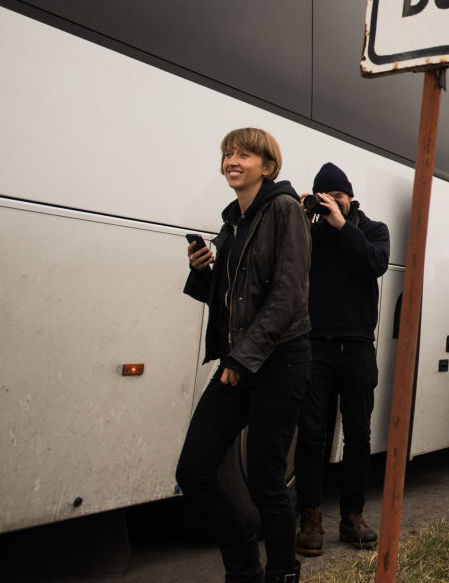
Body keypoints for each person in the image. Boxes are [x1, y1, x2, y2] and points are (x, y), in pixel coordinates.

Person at [177, 128, 312, 583]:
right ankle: (243, 566)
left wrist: (240, 359)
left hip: (281, 361)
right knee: (194, 471)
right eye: (228, 154)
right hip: (241, 360)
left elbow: (289, 295)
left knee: (267, 481)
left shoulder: (285, 209)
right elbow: (231, 298)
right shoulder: (233, 221)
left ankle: (282, 574)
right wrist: (203, 271)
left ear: (267, 167)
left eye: (245, 154)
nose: (232, 160)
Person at [293, 163, 390, 554]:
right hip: (315, 346)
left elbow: (376, 263)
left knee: (358, 436)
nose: (334, 202)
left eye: (339, 196)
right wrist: (301, 220)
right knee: (311, 435)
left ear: (350, 197)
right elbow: (288, 263)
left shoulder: (373, 230)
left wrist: (341, 225)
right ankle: (310, 519)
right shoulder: (311, 232)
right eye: (327, 197)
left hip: (358, 348)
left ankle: (352, 517)